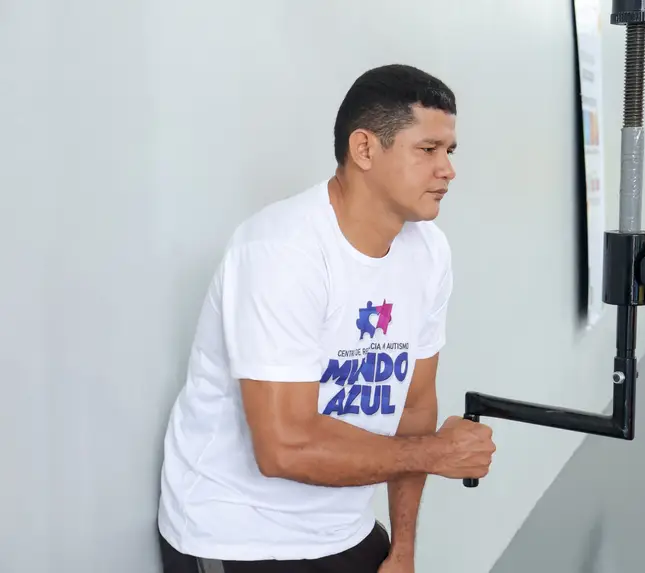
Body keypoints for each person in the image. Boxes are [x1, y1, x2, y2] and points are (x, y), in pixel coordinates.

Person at [156, 63, 497, 573]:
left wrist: (403, 549)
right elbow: (284, 449)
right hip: (238, 536)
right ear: (364, 149)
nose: (447, 169)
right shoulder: (281, 251)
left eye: (449, 151)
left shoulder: (429, 252)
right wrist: (434, 454)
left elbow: (414, 409)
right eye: (428, 149)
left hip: (342, 529)